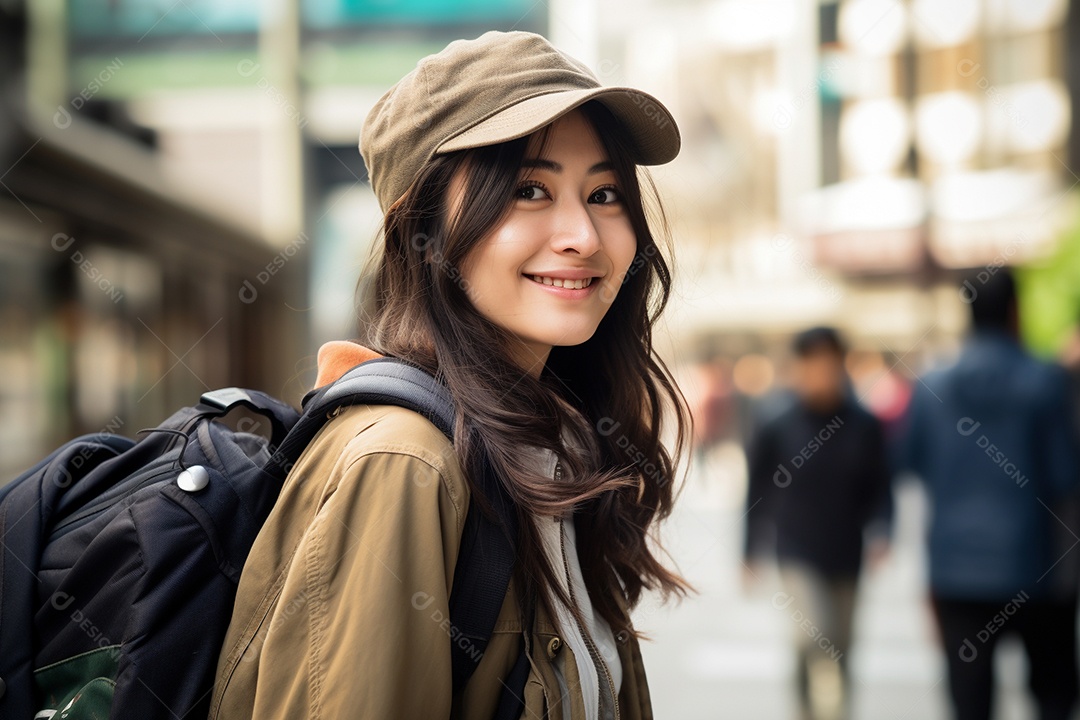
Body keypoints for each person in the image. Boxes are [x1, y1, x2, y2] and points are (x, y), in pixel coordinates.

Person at [209, 31, 688, 720]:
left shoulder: (558, 446)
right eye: (529, 189)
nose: (583, 235)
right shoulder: (404, 463)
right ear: (423, 226)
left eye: (605, 193)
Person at [899, 269, 1080, 720]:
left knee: (970, 701)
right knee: (1053, 695)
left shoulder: (932, 386)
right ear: (1016, 312)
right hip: (1039, 567)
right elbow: (1064, 475)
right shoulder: (1047, 382)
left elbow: (908, 463)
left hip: (956, 570)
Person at [744, 327, 891, 720]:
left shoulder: (865, 425)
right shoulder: (777, 423)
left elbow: (881, 487)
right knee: (812, 637)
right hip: (796, 551)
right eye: (813, 363)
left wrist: (883, 529)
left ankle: (834, 713)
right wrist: (748, 550)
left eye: (830, 362)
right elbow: (756, 490)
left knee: (840, 647)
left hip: (846, 551)